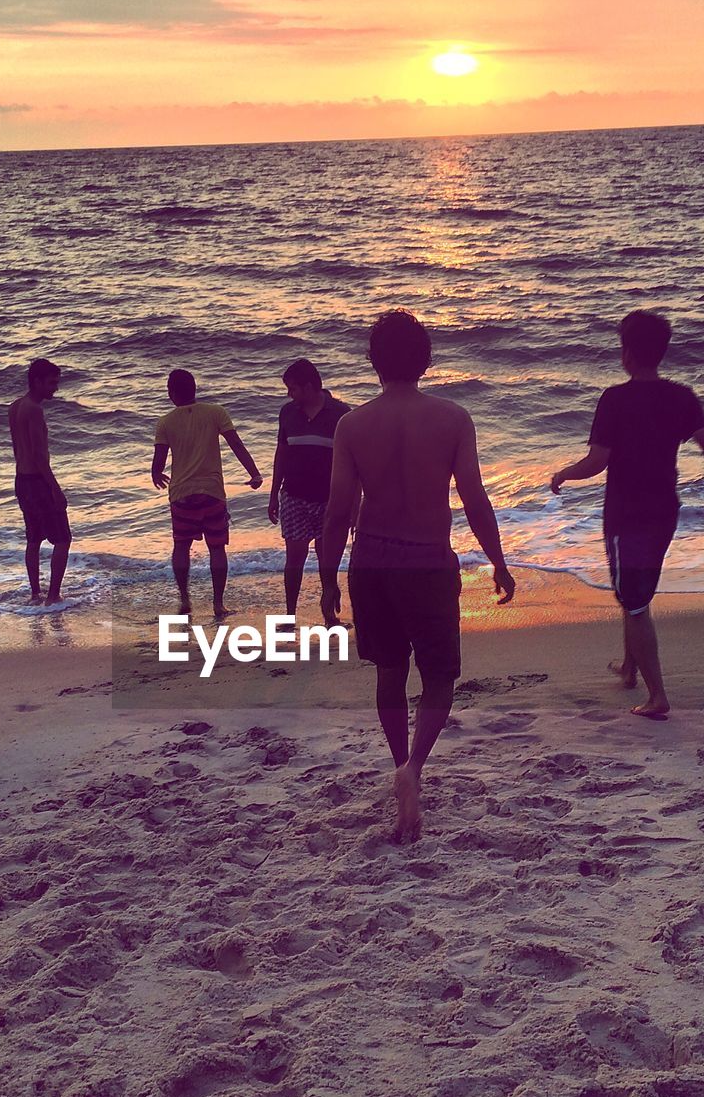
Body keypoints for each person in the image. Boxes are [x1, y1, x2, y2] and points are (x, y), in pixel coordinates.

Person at [320, 310, 516, 842]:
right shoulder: (453, 419)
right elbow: (475, 499)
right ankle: (414, 769)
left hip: (373, 562)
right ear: (426, 360)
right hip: (428, 558)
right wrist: (497, 561)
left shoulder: (352, 424)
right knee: (438, 676)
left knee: (389, 670)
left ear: (373, 362)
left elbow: (338, 511)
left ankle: (398, 758)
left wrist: (326, 578)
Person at [550, 309, 704, 721]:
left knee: (635, 600)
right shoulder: (681, 397)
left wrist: (563, 474)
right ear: (661, 352)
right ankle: (629, 668)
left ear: (626, 354)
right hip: (664, 511)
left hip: (627, 514)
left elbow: (598, 460)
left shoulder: (615, 399)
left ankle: (657, 696)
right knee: (632, 591)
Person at [152, 369, 262, 618]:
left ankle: (184, 599)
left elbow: (158, 462)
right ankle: (218, 604)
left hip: (181, 493)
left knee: (181, 545)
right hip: (212, 492)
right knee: (216, 548)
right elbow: (236, 444)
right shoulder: (215, 413)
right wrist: (254, 473)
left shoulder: (166, 422)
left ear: (171, 394)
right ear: (195, 389)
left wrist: (156, 475)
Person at [267, 358, 353, 616]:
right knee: (294, 557)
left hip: (328, 498)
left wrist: (353, 504)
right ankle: (289, 614)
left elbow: (351, 462)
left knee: (327, 557)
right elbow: (281, 453)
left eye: (292, 388)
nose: (289, 394)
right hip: (293, 495)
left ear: (308, 386)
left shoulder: (340, 413)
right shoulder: (288, 413)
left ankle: (329, 612)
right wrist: (273, 495)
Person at [9, 358, 71, 606]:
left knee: (34, 539)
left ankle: (35, 594)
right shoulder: (33, 409)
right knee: (63, 539)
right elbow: (37, 455)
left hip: (22, 480)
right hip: (37, 481)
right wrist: (55, 489)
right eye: (51, 383)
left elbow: (20, 450)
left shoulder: (15, 406)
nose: (55, 388)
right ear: (36, 382)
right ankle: (53, 596)